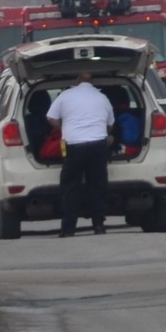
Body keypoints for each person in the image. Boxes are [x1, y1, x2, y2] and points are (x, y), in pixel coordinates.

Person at [46, 72, 114, 237]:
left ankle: (68, 229)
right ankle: (98, 226)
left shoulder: (65, 95)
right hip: (98, 145)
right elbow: (110, 124)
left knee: (70, 187)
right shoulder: (102, 98)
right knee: (97, 186)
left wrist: (64, 128)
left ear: (77, 81)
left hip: (74, 145)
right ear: (92, 82)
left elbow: (50, 117)